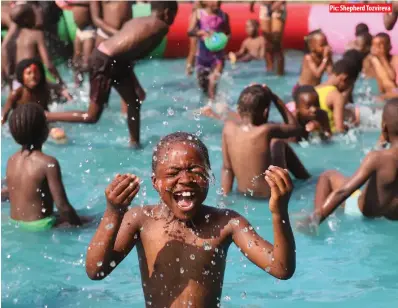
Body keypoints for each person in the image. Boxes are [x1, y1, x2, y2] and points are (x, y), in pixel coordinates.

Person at [86, 132, 296, 307]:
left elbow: (281, 268)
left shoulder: (227, 223)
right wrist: (113, 212)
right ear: (156, 182)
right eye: (173, 172)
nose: (185, 180)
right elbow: (96, 270)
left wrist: (279, 212)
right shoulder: (141, 220)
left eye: (195, 170)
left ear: (208, 177)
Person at [45, 1, 178, 148]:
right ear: (167, 13)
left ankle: (135, 143)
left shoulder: (137, 21)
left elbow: (126, 52)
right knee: (92, 116)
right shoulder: (161, 27)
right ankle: (45, 116)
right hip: (106, 60)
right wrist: (135, 82)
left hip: (110, 58)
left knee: (133, 103)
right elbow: (136, 55)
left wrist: (135, 83)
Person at [297, 99, 398, 233]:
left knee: (328, 176)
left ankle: (315, 218)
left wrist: (315, 220)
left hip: (362, 213)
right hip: (391, 217)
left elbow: (343, 192)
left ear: (384, 127)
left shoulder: (378, 158)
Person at [221, 84, 310, 198]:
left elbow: (227, 168)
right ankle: (306, 179)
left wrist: (224, 197)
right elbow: (296, 129)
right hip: (270, 196)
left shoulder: (228, 129)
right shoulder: (266, 130)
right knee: (279, 143)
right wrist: (275, 98)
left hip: (244, 194)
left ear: (238, 109)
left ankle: (304, 178)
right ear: (266, 112)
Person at [5, 103, 83, 231]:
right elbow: (62, 206)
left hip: (15, 222)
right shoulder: (48, 163)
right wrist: (79, 226)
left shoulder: (11, 160)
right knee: (92, 220)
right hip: (42, 226)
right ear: (45, 131)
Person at [1, 4, 69, 92]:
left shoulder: (12, 38)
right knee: (62, 93)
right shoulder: (36, 34)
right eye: (34, 13)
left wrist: (10, 81)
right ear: (27, 19)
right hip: (32, 80)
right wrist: (61, 82)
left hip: (17, 82)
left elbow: (6, 59)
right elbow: (48, 65)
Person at [1, 59, 69, 143]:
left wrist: (64, 93)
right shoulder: (16, 94)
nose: (33, 76)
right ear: (21, 76)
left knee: (60, 136)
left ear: (41, 74)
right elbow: (4, 116)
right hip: (23, 126)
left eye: (36, 72)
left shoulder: (44, 90)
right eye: (28, 73)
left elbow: (56, 87)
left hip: (42, 123)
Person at [90, 0, 133, 113]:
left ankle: (125, 117)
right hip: (106, 38)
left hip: (124, 40)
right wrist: (118, 34)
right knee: (102, 92)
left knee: (129, 91)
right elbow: (96, 19)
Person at [188, 1, 230, 101]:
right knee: (203, 87)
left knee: (212, 84)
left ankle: (213, 105)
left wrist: (221, 39)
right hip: (202, 56)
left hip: (218, 56)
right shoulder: (198, 14)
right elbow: (190, 32)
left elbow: (228, 33)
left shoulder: (224, 16)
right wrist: (202, 32)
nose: (218, 1)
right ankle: (207, 107)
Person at [315, 59, 360, 134]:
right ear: (344, 78)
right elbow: (339, 130)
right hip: (329, 140)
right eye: (350, 84)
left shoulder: (315, 89)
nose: (348, 88)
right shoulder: (337, 96)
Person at [292, 29, 332, 98]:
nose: (325, 47)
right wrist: (325, 59)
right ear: (312, 47)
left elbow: (331, 74)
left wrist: (329, 59)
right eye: (322, 45)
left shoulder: (323, 58)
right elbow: (317, 74)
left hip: (314, 89)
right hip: (301, 89)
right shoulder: (308, 58)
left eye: (326, 44)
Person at [250, 1, 286, 75]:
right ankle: (270, 70)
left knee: (276, 41)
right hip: (265, 5)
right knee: (267, 42)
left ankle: (280, 73)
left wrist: (274, 6)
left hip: (277, 6)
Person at [64, 1, 96, 87]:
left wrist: (73, 1)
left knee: (87, 62)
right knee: (76, 61)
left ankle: (92, 85)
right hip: (79, 30)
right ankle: (77, 85)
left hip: (89, 30)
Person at [363, 33, 398, 98]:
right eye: (374, 45)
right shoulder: (369, 60)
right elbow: (374, 85)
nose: (376, 48)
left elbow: (392, 78)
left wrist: (383, 57)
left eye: (380, 45)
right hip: (379, 94)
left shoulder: (395, 59)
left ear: (389, 46)